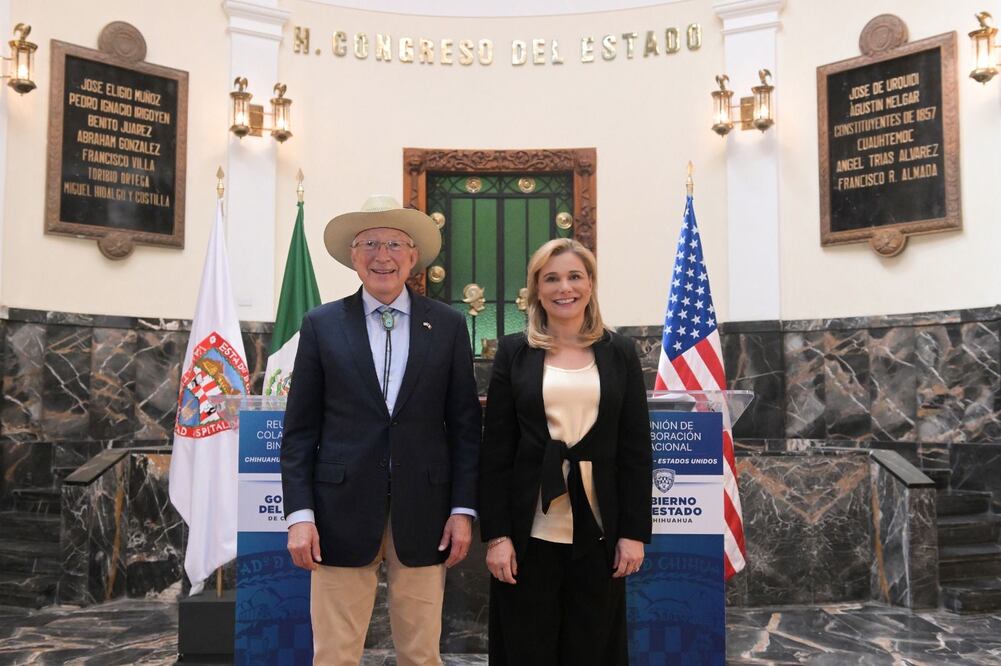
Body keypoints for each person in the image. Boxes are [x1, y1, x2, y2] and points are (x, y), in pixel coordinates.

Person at [280, 195, 481, 666]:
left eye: (394, 243)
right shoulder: (321, 324)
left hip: (426, 514)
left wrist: (462, 509)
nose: (382, 255)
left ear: (414, 257)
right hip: (336, 514)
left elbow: (466, 427)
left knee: (421, 653)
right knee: (334, 653)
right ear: (353, 257)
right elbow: (299, 431)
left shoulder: (449, 326)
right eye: (369, 243)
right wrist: (300, 516)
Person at [479, 238, 652, 665]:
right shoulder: (514, 352)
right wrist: (497, 536)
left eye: (575, 276)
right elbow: (496, 451)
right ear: (536, 289)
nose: (564, 287)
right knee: (526, 646)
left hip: (598, 527)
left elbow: (634, 449)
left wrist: (633, 533)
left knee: (592, 646)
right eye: (551, 278)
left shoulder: (620, 352)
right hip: (529, 531)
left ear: (590, 283)